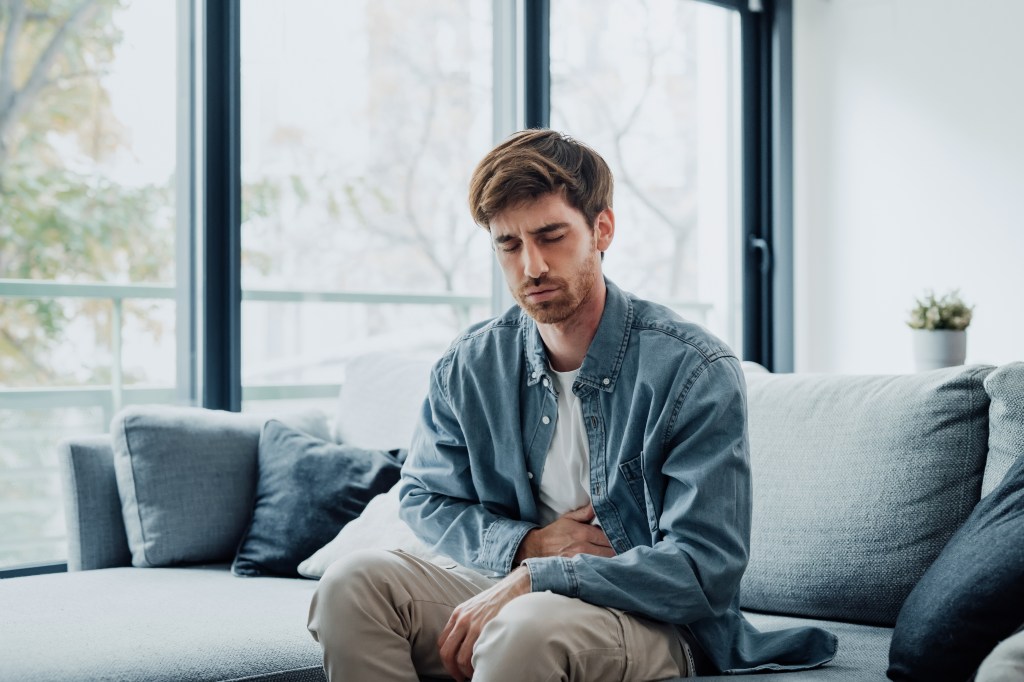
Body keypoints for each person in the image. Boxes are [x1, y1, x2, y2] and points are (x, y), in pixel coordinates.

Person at [307, 129, 836, 680]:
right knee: (351, 585)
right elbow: (422, 494)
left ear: (601, 229)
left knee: (524, 628)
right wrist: (527, 547)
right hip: (512, 590)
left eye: (550, 236)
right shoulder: (471, 365)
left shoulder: (693, 370)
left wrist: (543, 575)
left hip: (652, 618)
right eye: (508, 245)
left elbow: (705, 570)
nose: (530, 266)